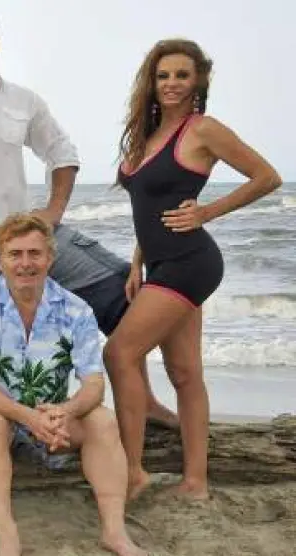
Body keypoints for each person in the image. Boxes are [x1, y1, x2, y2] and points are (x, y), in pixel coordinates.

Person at [0, 4, 177, 429]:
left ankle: (144, 401)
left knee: (125, 290)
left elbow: (62, 153)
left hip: (26, 232)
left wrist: (53, 212)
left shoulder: (23, 101)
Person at [107, 39, 282, 501]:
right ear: (151, 81)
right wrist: (138, 261)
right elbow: (149, 208)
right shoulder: (146, 136)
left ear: (198, 81)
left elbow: (267, 177)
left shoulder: (203, 129)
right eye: (163, 75)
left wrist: (207, 212)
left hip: (190, 261)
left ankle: (132, 473)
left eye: (182, 75)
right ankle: (196, 482)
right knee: (184, 373)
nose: (171, 83)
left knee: (119, 353)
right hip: (160, 263)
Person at [0, 214, 145, 556]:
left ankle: (115, 532)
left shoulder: (76, 310)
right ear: (0, 261)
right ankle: (7, 537)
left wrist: (66, 411)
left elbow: (94, 384)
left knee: (102, 420)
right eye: (15, 254)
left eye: (35, 253)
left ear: (50, 258)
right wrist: (28, 417)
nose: (25, 263)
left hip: (51, 414)